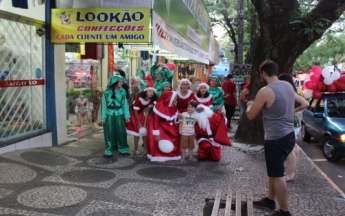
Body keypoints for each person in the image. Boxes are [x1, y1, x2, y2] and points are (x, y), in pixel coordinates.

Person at [246, 60, 309, 216]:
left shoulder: (265, 91)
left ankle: (284, 211)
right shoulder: (287, 86)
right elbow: (303, 103)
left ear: (264, 73)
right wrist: (291, 112)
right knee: (274, 172)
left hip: (275, 138)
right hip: (288, 136)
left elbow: (251, 115)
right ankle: (269, 199)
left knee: (277, 175)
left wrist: (249, 104)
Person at [278, 73, 308, 182]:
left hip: (292, 122)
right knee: (289, 148)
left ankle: (290, 173)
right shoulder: (290, 91)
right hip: (291, 122)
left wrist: (293, 111)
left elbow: (305, 104)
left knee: (290, 149)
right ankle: (289, 172)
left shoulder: (290, 92)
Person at [101, 75, 130, 157]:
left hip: (120, 113)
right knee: (108, 132)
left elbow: (125, 104)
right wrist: (103, 117)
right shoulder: (106, 92)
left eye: (122, 81)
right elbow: (104, 104)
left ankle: (123, 149)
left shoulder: (123, 91)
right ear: (115, 82)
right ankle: (109, 150)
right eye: (120, 81)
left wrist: (127, 116)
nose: (122, 83)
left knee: (121, 131)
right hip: (109, 114)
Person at [149, 91, 181, 162]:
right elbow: (155, 121)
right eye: (175, 97)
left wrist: (178, 118)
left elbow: (174, 118)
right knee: (160, 140)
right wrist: (157, 134)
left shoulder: (173, 106)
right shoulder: (159, 106)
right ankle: (159, 156)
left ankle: (173, 155)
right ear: (170, 97)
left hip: (171, 127)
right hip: (161, 128)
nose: (176, 98)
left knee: (175, 138)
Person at [126, 87, 157, 155]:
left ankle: (145, 148)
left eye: (153, 92)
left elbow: (147, 111)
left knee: (144, 132)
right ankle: (136, 148)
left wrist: (145, 123)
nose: (151, 93)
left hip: (140, 113)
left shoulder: (150, 100)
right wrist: (139, 123)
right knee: (137, 132)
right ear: (146, 92)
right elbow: (135, 111)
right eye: (150, 91)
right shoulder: (139, 100)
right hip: (134, 114)